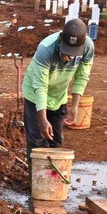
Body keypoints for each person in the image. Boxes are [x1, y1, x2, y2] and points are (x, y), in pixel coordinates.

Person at [21, 18, 93, 164]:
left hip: (59, 96)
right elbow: (40, 87)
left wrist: (74, 106)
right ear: (60, 38)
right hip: (35, 95)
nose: (68, 58)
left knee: (56, 140)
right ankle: (35, 182)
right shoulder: (45, 49)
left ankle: (53, 182)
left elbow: (82, 76)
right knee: (37, 142)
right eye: (65, 51)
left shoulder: (88, 46)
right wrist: (42, 118)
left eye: (73, 54)